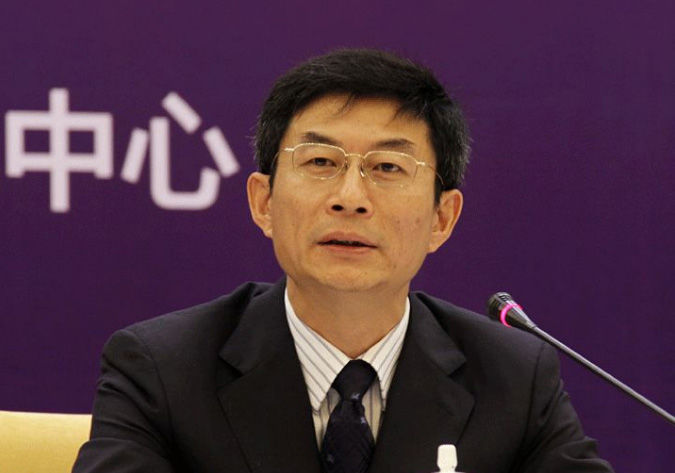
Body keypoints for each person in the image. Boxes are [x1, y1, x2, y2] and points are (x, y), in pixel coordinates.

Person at [73, 49, 614, 473]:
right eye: (320, 161)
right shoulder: (162, 371)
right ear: (263, 202)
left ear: (442, 218)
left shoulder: (513, 379)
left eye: (388, 167)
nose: (350, 197)